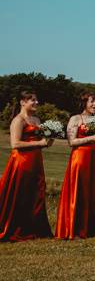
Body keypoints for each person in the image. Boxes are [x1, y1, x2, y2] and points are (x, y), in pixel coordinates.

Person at [0, 91, 53, 241]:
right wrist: (39, 143)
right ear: (22, 102)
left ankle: (34, 228)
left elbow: (42, 140)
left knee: (35, 193)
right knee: (20, 194)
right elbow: (15, 144)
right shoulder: (18, 120)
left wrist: (49, 139)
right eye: (32, 100)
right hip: (22, 161)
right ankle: (15, 228)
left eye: (37, 100)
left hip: (36, 161)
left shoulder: (36, 119)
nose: (36, 102)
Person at [56, 92, 95, 239]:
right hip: (80, 158)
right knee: (79, 190)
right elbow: (71, 141)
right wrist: (91, 138)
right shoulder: (75, 118)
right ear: (84, 103)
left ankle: (92, 228)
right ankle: (75, 228)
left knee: (93, 191)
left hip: (93, 158)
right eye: (92, 101)